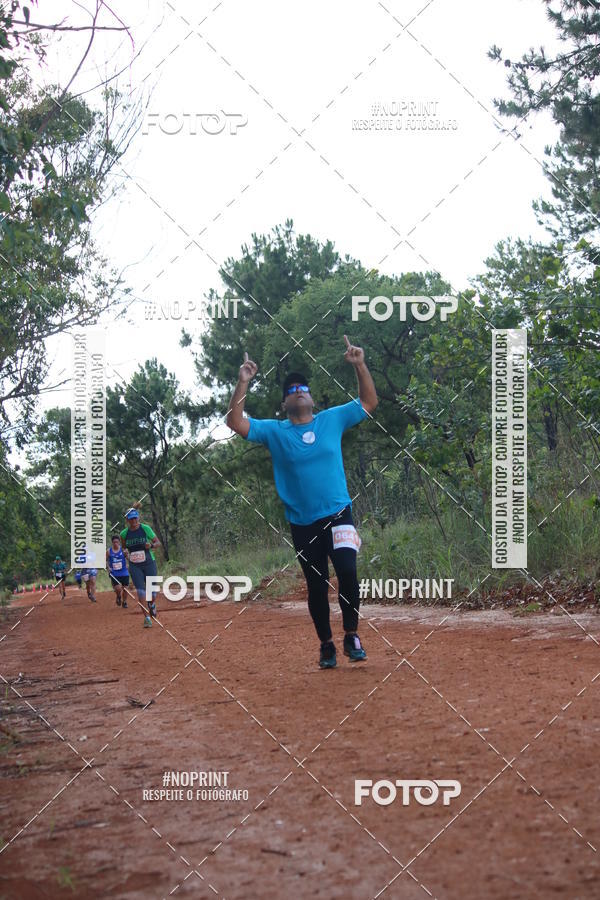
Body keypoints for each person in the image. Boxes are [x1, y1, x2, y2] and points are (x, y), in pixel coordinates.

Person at [226, 335, 378, 669]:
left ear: (311, 398)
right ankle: (326, 644)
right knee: (316, 584)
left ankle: (351, 634)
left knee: (349, 573)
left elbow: (368, 403)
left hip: (339, 514)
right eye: (291, 390)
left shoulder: (332, 419)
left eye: (303, 388)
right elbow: (235, 422)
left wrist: (359, 365)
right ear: (284, 404)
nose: (298, 391)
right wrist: (242, 383)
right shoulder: (275, 431)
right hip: (303, 523)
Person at [119, 505, 161, 628]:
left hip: (149, 562)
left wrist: (151, 546)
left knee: (152, 593)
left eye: (135, 518)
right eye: (131, 519)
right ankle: (147, 618)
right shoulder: (124, 533)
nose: (134, 521)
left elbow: (158, 543)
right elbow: (123, 548)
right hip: (134, 565)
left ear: (138, 518)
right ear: (127, 520)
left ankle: (152, 604)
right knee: (141, 591)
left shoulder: (145, 529)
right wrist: (125, 552)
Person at [106, 534, 130, 608]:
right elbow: (105, 560)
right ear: (112, 543)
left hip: (124, 571)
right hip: (114, 573)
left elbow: (129, 558)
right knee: (118, 588)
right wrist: (108, 568)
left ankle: (125, 602)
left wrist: (128, 564)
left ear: (119, 542)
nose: (115, 543)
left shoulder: (123, 550)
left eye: (117, 542)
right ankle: (119, 596)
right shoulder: (109, 551)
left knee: (125, 588)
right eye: (114, 542)